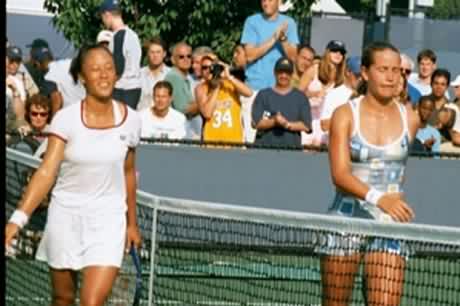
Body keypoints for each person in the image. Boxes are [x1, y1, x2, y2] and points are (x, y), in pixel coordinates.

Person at [5, 44, 142, 306]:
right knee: (63, 298)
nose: (103, 75)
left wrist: (132, 224)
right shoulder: (65, 120)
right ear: (82, 77)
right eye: (95, 69)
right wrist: (18, 219)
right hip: (65, 217)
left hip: (109, 221)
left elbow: (127, 172)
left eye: (109, 69)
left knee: (91, 302)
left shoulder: (132, 120)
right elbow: (47, 171)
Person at [321, 41, 418, 306]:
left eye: (396, 70)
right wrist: (380, 198)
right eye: (383, 69)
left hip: (388, 224)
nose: (390, 76)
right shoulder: (344, 114)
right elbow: (339, 175)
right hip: (346, 222)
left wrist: (391, 200)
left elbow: (398, 172)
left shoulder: (410, 117)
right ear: (365, 72)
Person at [252, 57, 311, 148]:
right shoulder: (263, 95)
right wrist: (274, 121)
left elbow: (306, 126)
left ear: (292, 75)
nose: (283, 76)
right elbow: (256, 123)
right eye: (280, 72)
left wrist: (286, 124)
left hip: (291, 150)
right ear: (274, 73)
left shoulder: (300, 97)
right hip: (264, 149)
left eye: (287, 73)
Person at [241, 0, 299, 92]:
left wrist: (283, 39)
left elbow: (293, 58)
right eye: (263, 0)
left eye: (270, 0)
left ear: (279, 2)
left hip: (280, 88)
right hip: (254, 87)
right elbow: (250, 56)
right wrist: (274, 38)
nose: (266, 3)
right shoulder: (251, 22)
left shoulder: (289, 23)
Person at [298, 40, 347, 146]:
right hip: (308, 119)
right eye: (334, 51)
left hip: (327, 123)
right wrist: (314, 94)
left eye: (341, 52)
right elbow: (296, 95)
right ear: (327, 52)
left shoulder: (342, 77)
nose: (338, 54)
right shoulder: (314, 70)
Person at [197, 54, 252, 143]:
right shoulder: (201, 88)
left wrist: (228, 76)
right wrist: (216, 86)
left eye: (212, 67)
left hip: (235, 140)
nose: (209, 70)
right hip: (211, 140)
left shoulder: (230, 84)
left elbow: (249, 93)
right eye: (204, 67)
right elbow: (207, 113)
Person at [99, 0, 142, 109]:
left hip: (123, 89)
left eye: (102, 17)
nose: (103, 21)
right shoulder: (133, 35)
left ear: (107, 15)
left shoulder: (118, 36)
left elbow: (118, 67)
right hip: (135, 87)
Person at [320, 56, 361, 144]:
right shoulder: (334, 95)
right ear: (348, 72)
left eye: (362, 75)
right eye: (357, 75)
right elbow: (324, 124)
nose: (360, 79)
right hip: (337, 145)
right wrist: (347, 120)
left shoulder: (366, 95)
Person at [164, 42, 201, 139]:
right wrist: (205, 102)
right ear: (173, 59)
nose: (186, 59)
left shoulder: (185, 78)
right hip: (179, 132)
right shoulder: (174, 77)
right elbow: (183, 109)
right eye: (181, 57)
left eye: (189, 56)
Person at [137, 36, 171, 111]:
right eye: (152, 52)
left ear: (164, 54)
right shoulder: (138, 75)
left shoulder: (171, 75)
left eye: (158, 52)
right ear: (148, 54)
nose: (155, 55)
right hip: (143, 119)